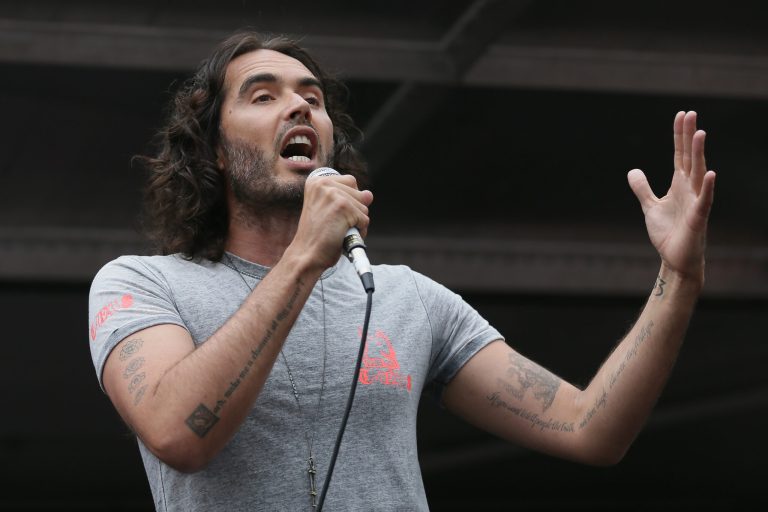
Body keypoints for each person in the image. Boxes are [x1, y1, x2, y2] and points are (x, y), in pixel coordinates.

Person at [87, 30, 716, 512]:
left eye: (313, 99)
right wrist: (307, 255)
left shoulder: (409, 299)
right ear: (216, 152)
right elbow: (178, 433)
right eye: (264, 95)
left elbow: (590, 430)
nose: (300, 109)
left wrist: (677, 279)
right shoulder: (142, 284)